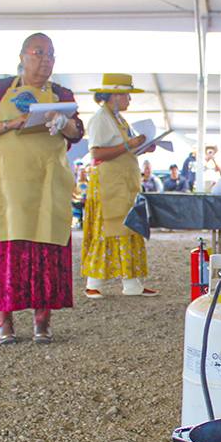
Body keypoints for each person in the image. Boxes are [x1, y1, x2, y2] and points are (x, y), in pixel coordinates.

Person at [0, 32, 83, 344]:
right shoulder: (1, 88)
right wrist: (10, 124)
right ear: (22, 57)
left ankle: (42, 321)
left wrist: (63, 121)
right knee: (8, 249)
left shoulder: (61, 93)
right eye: (38, 52)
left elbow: (76, 132)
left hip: (47, 181)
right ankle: (5, 321)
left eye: (51, 54)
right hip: (8, 182)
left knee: (46, 248)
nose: (46, 60)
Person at [82, 73, 158, 299]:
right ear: (113, 95)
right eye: (126, 95)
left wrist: (142, 148)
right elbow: (96, 152)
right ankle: (93, 282)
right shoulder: (100, 118)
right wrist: (129, 144)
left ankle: (131, 282)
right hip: (108, 182)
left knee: (128, 228)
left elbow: (125, 149)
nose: (129, 100)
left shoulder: (118, 119)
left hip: (123, 182)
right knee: (106, 228)